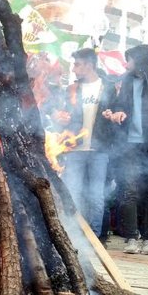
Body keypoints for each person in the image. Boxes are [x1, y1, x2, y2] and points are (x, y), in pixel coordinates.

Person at [106, 44, 148, 255]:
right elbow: (119, 104)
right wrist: (117, 113)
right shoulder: (126, 80)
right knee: (129, 191)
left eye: (129, 59)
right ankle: (131, 237)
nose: (127, 64)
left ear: (141, 59)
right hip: (129, 145)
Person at [51, 48, 114, 238]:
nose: (73, 68)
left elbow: (119, 111)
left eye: (77, 64)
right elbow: (64, 115)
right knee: (72, 192)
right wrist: (60, 118)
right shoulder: (72, 89)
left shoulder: (108, 87)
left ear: (89, 65)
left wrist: (113, 116)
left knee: (96, 195)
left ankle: (94, 236)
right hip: (74, 149)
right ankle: (72, 234)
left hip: (99, 149)